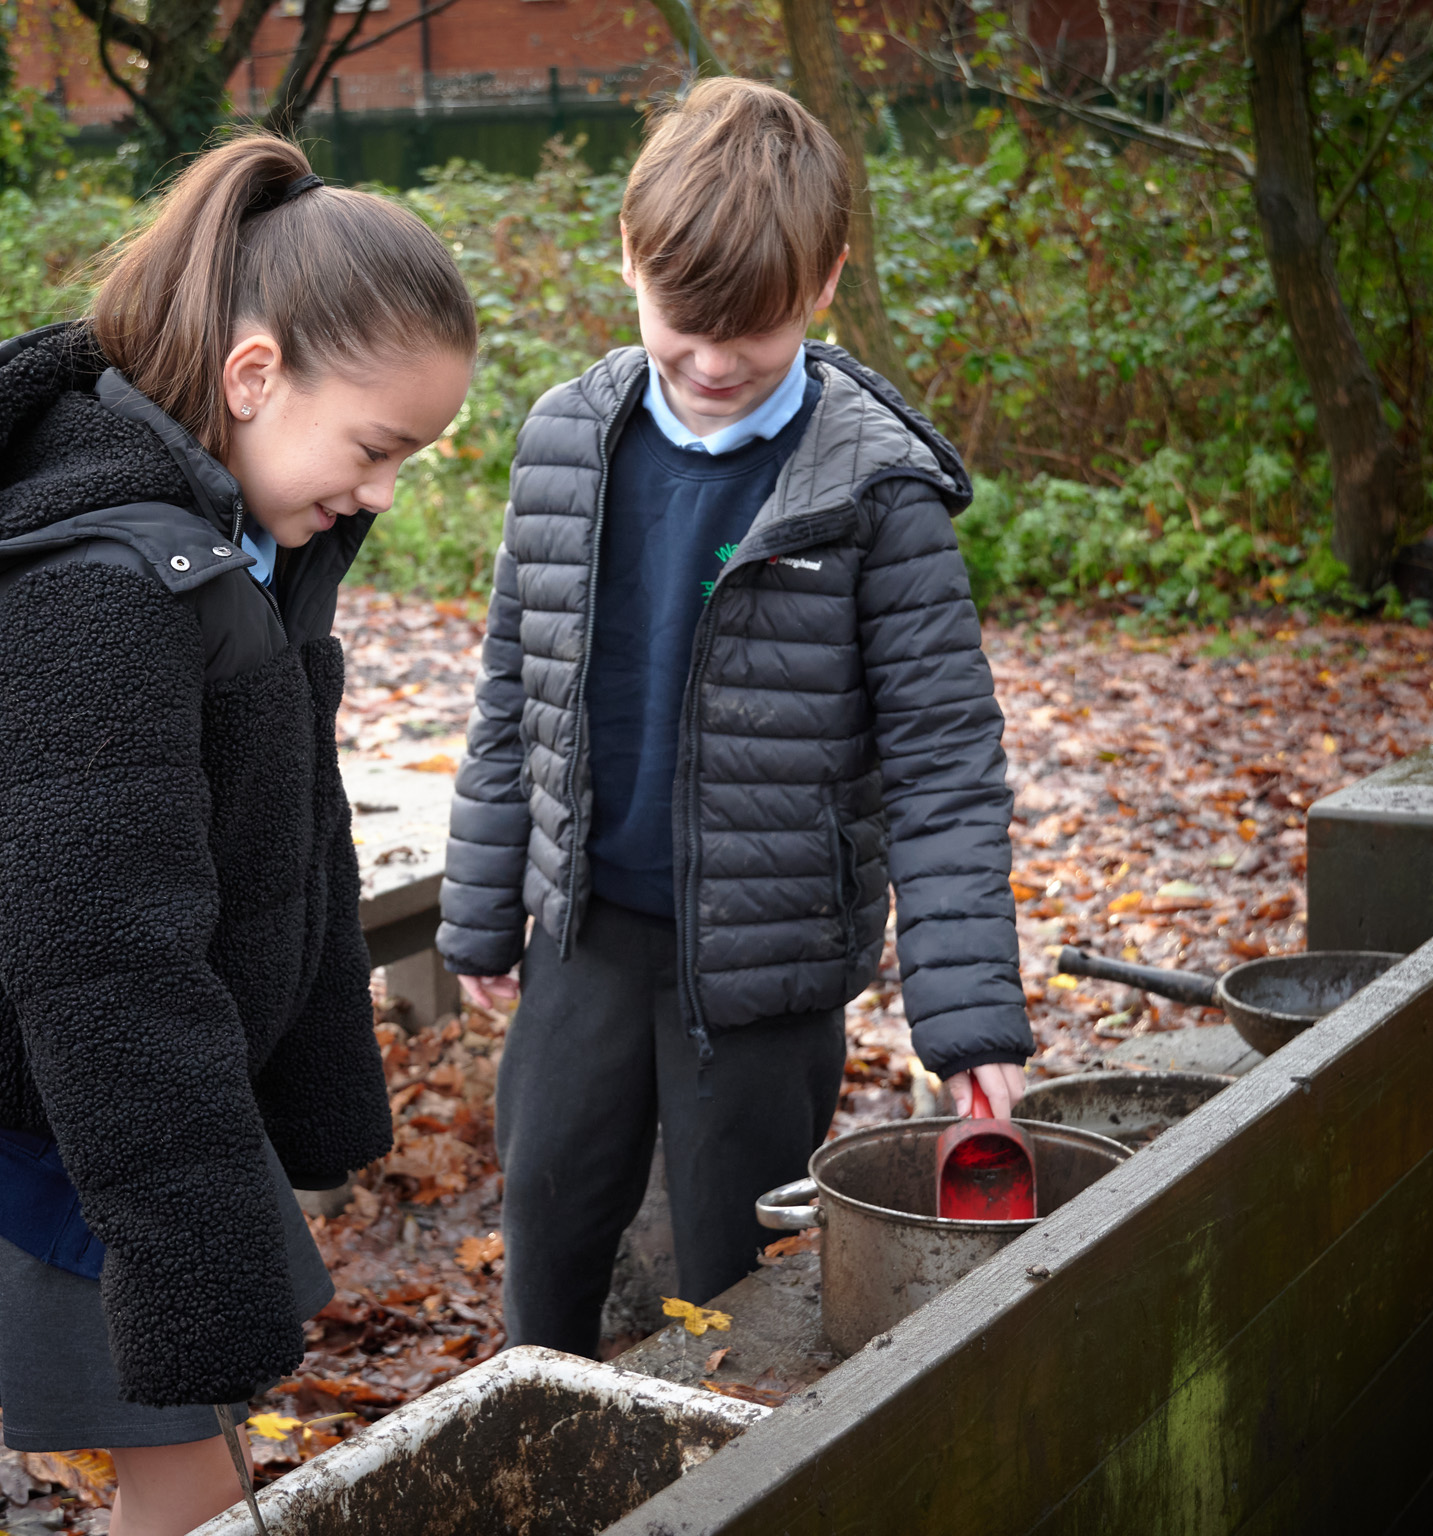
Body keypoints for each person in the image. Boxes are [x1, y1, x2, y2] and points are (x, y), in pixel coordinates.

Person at [0, 134, 475, 1535]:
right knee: (186, 1496)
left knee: (207, 1470)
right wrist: (192, 1245)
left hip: (158, 1112)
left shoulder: (235, 555)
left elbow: (293, 845)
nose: (382, 492)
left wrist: (307, 1084)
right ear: (253, 377)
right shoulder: (89, 596)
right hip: (72, 1126)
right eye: (377, 447)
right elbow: (99, 958)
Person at [437, 79, 1033, 1358]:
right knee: (547, 1228)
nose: (708, 365)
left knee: (738, 1277)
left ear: (824, 284)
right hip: (582, 937)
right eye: (679, 323)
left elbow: (943, 769)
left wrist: (969, 1021)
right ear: (629, 259)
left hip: (765, 976)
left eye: (749, 334)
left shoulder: (879, 493)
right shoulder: (564, 441)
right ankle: (544, 1421)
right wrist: (484, 908)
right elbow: (513, 691)